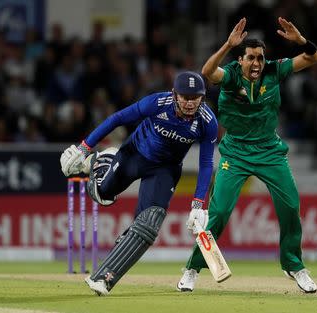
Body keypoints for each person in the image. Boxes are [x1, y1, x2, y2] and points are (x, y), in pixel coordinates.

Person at [177, 17, 317, 293]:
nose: (256, 63)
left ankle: (294, 265)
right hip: (236, 152)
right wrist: (227, 45)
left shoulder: (274, 70)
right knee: (218, 212)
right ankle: (193, 268)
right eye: (251, 58)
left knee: (291, 206)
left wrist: (301, 41)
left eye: (260, 57)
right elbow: (207, 72)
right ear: (240, 60)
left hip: (270, 150)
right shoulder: (230, 75)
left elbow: (315, 57)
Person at [60, 71, 218, 296]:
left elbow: (205, 163)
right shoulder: (157, 103)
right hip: (134, 155)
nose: (191, 102)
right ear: (174, 94)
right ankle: (101, 159)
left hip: (165, 169)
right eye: (185, 97)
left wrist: (198, 204)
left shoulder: (207, 121)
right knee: (102, 194)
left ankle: (104, 279)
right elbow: (118, 119)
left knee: (150, 223)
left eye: (196, 97)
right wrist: (84, 147)